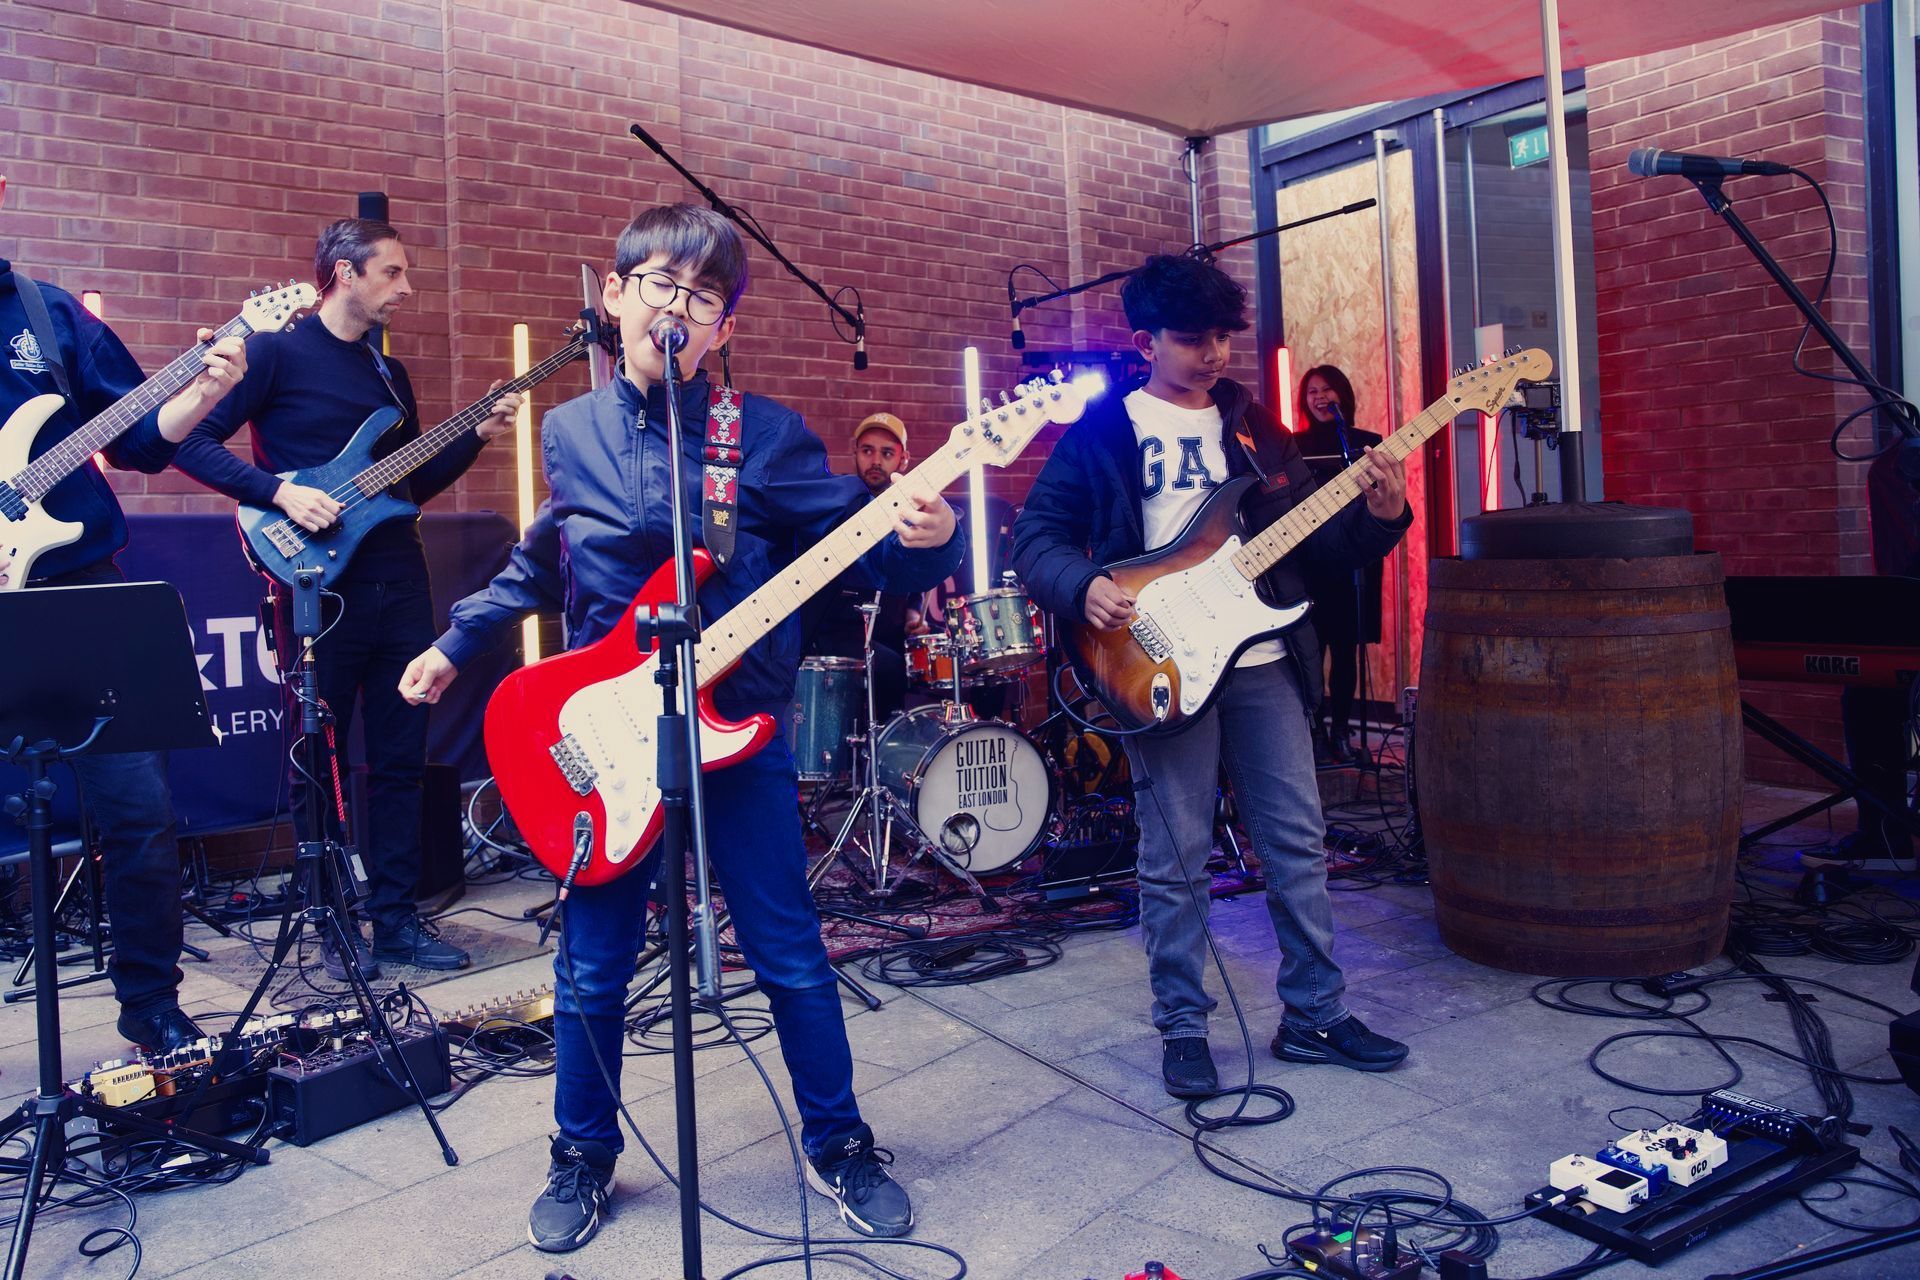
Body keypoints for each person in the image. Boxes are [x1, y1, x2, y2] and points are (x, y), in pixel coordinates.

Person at [397, 204, 962, 1253]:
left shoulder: (770, 438)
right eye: (659, 282)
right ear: (614, 298)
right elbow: (537, 565)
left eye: (702, 297)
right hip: (606, 743)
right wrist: (458, 639)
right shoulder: (568, 434)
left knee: (790, 951)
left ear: (722, 330)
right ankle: (581, 1153)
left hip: (736, 733)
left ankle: (838, 1144)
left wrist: (927, 536)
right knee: (593, 966)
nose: (678, 307)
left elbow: (862, 549)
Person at [1012, 252, 1414, 1099]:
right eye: (1192, 339)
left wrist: (1382, 517)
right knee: (1177, 852)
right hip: (1157, 657)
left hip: (1264, 657)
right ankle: (1184, 1026)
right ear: (1144, 341)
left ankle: (1315, 1013)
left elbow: (1311, 549)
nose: (1213, 354)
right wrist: (1082, 586)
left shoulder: (1255, 426)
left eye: (1223, 337)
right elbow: (1035, 539)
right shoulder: (1103, 432)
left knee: (1297, 839)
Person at [172, 217, 522, 980]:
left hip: (399, 581)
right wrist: (277, 494)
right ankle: (331, 923)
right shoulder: (274, 352)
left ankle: (395, 922)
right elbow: (191, 444)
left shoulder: (387, 375)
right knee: (316, 758)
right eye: (392, 273)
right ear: (344, 272)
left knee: (401, 758)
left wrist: (479, 435)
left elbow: (408, 484)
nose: (406, 288)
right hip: (315, 588)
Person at [0, 172, 249, 1052]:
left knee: (139, 810)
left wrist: (206, 387)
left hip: (78, 593)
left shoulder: (46, 313)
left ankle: (154, 1009)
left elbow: (140, 440)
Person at [802, 411, 921, 722]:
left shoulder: (913, 513)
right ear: (855, 452)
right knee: (889, 667)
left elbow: (917, 579)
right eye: (868, 450)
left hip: (890, 637)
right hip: (836, 636)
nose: (876, 461)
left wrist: (913, 611)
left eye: (887, 453)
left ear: (904, 459)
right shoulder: (839, 506)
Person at [1295, 364, 1384, 765]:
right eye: (1312, 391)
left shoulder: (1368, 444)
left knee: (1347, 650)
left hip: (1353, 563)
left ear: (1343, 395)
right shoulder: (1291, 446)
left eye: (1327, 389)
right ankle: (1312, 731)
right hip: (1310, 562)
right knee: (1311, 650)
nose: (1319, 397)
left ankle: (1343, 731)